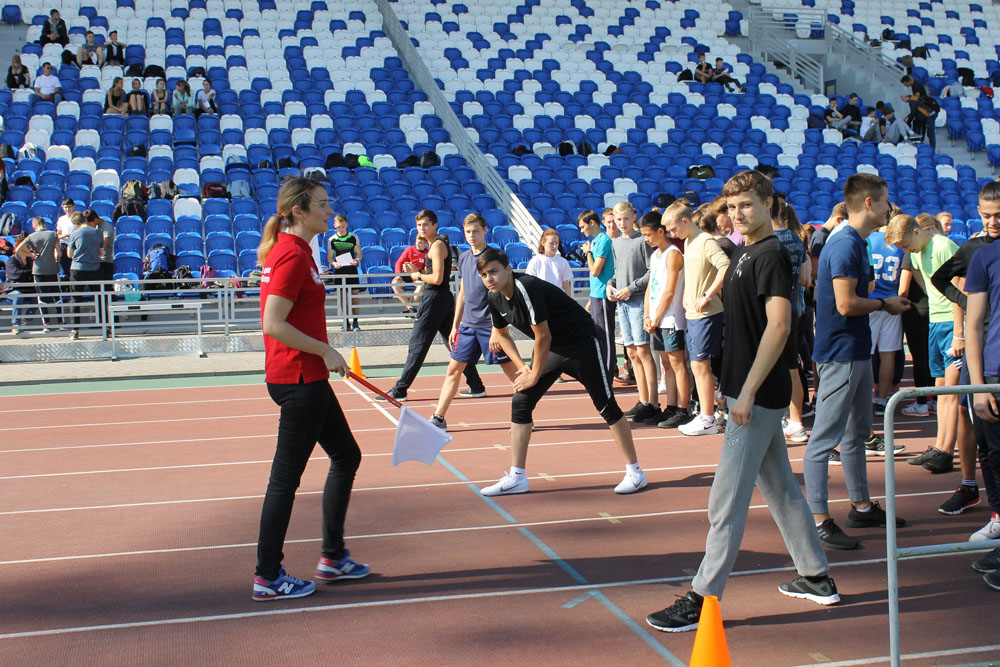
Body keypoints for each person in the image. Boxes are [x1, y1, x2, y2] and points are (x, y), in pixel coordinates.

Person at [645, 170, 839, 633]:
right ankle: (816, 577)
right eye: (731, 207)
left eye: (746, 205)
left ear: (769, 203)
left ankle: (702, 597)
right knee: (782, 491)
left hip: (758, 394)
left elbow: (778, 326)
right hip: (747, 390)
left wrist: (747, 391)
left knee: (726, 500)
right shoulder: (744, 252)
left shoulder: (770, 255)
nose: (737, 214)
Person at [251, 177, 368, 601]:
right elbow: (273, 323)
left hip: (306, 376)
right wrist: (325, 350)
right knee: (284, 481)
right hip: (299, 378)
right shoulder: (292, 256)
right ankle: (267, 574)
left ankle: (333, 556)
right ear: (299, 211)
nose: (328, 208)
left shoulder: (299, 251)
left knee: (347, 455)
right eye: (320, 203)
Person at [476, 248, 647, 496]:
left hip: (582, 344)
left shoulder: (526, 288)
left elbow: (542, 335)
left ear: (508, 269)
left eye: (493, 271)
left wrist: (534, 374)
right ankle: (517, 477)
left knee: (606, 405)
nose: (489, 278)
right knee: (521, 401)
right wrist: (523, 367)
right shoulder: (494, 298)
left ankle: (635, 473)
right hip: (553, 347)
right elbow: (501, 334)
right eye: (483, 274)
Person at [806, 175, 910, 551]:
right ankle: (818, 519)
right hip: (841, 352)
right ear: (869, 203)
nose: (889, 208)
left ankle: (861, 505)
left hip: (854, 349)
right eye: (885, 201)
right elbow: (847, 304)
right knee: (824, 439)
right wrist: (886, 304)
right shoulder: (847, 244)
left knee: (854, 435)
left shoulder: (855, 243)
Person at [928, 182, 1000, 515]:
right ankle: (969, 485)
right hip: (978, 344)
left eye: (998, 216)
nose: (992, 223)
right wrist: (968, 307)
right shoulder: (975, 249)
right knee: (970, 415)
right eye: (986, 216)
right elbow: (941, 278)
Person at [378, 210, 484, 402]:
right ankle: (476, 385)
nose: (422, 228)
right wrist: (418, 271)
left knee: (417, 345)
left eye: (426, 224)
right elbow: (438, 275)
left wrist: (417, 276)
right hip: (442, 299)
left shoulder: (436, 246)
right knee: (454, 345)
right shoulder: (437, 245)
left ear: (435, 225)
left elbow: (436, 278)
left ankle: (400, 390)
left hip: (434, 299)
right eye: (419, 225)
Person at [887, 213, 963, 475]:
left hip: (952, 324)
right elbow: (928, 285)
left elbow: (957, 289)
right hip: (936, 321)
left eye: (905, 245)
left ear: (917, 232)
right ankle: (940, 445)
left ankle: (946, 451)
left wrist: (959, 333)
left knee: (951, 389)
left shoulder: (943, 246)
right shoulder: (918, 253)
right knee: (940, 386)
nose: (905, 251)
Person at [430, 213, 518, 430]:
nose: (471, 235)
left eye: (476, 231)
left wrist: (501, 328)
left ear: (485, 230)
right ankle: (438, 417)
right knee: (453, 370)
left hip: (491, 327)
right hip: (468, 327)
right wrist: (455, 325)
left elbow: (507, 293)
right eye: (468, 231)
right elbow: (462, 293)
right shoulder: (463, 258)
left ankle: (524, 417)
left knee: (513, 373)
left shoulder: (495, 257)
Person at [963, 226, 1000, 553]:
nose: (992, 221)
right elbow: (972, 324)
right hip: (993, 372)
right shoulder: (985, 256)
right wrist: (978, 385)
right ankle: (999, 517)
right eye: (986, 215)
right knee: (991, 454)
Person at [640, 209, 692, 429]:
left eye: (648, 235)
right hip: (657, 319)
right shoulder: (655, 255)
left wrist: (657, 316)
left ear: (661, 231)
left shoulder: (673, 254)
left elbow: (670, 291)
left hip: (671, 319)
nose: (646, 239)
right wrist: (647, 315)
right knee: (666, 364)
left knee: (677, 363)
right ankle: (670, 406)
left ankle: (682, 408)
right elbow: (652, 286)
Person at [608, 202, 658, 424]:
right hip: (623, 303)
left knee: (644, 351)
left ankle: (653, 403)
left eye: (626, 219)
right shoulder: (616, 242)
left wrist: (631, 288)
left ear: (634, 217)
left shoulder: (642, 241)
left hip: (638, 302)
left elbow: (651, 272)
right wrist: (611, 285)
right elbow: (617, 271)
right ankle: (643, 400)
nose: (622, 224)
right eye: (618, 220)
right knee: (632, 353)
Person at [770, 195, 812, 443]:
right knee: (792, 367)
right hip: (795, 308)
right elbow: (807, 278)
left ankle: (790, 420)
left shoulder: (769, 241)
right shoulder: (796, 238)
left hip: (776, 312)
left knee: (780, 368)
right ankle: (794, 420)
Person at [578, 209, 617, 381]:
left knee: (605, 335)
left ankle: (608, 372)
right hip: (596, 295)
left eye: (582, 226)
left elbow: (595, 271)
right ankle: (604, 370)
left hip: (603, 294)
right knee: (598, 334)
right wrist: (589, 299)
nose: (581, 230)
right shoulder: (596, 241)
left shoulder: (603, 241)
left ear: (592, 223)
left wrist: (587, 253)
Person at [17, 216, 62, 331]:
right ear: (45, 224)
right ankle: (61, 322)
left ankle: (46, 324)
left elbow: (17, 250)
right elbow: (59, 252)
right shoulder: (52, 234)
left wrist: (31, 255)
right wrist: (56, 260)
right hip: (52, 268)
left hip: (38, 269)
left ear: (34, 226)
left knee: (42, 296)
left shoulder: (31, 236)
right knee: (57, 295)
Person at [65, 211, 104, 340]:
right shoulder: (98, 232)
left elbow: (70, 254)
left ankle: (75, 330)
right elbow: (101, 252)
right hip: (94, 268)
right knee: (98, 298)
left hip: (78, 268)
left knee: (76, 299)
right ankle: (105, 327)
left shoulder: (75, 233)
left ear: (76, 224)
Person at [327, 214, 362, 331]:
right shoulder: (332, 239)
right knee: (342, 297)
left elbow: (359, 254)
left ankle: (356, 321)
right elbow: (330, 257)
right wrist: (334, 264)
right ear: (334, 226)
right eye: (338, 227)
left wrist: (357, 260)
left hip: (351, 269)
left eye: (342, 226)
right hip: (340, 270)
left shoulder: (353, 237)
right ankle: (346, 321)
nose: (341, 229)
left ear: (346, 225)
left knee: (355, 297)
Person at [4, 232, 38, 335]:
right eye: (27, 247)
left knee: (38, 298)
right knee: (18, 295)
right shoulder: (12, 261)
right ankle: (16, 324)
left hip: (28, 289)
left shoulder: (30, 261)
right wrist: (31, 271)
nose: (30, 249)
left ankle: (26, 320)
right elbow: (16, 275)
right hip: (12, 290)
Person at [525, 228, 573, 295]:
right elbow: (530, 283)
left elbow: (566, 285)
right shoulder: (535, 261)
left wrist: (568, 303)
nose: (555, 246)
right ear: (543, 242)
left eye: (557, 243)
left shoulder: (563, 262)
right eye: (551, 243)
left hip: (559, 300)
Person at [390, 235, 427, 312]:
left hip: (417, 275)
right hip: (406, 275)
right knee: (395, 284)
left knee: (421, 285)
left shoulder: (428, 253)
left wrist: (417, 270)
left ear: (425, 243)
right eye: (417, 242)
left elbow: (427, 270)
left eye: (420, 243)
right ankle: (409, 307)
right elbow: (399, 262)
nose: (418, 245)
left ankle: (412, 306)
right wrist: (398, 275)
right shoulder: (409, 250)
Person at [55, 198, 75, 277]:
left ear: (73, 207)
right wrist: (66, 235)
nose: (68, 209)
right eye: (66, 207)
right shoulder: (61, 219)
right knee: (64, 268)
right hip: (64, 245)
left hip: (74, 246)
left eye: (69, 207)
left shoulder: (76, 218)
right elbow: (58, 235)